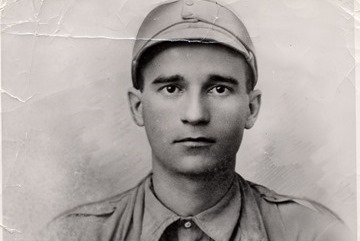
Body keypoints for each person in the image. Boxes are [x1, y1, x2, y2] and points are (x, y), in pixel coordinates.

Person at [38, 0, 352, 240]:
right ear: (137, 107)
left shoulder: (312, 232)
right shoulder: (74, 234)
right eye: (171, 88)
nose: (195, 115)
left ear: (252, 108)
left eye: (219, 88)